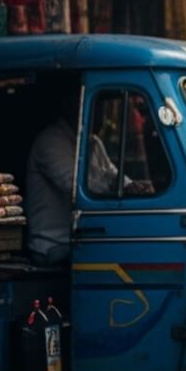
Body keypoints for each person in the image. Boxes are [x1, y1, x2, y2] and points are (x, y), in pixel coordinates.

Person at [25, 83, 146, 266]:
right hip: (54, 243)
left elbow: (112, 173)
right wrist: (117, 185)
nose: (99, 116)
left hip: (80, 239)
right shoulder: (50, 142)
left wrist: (131, 185)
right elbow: (76, 185)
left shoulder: (93, 142)